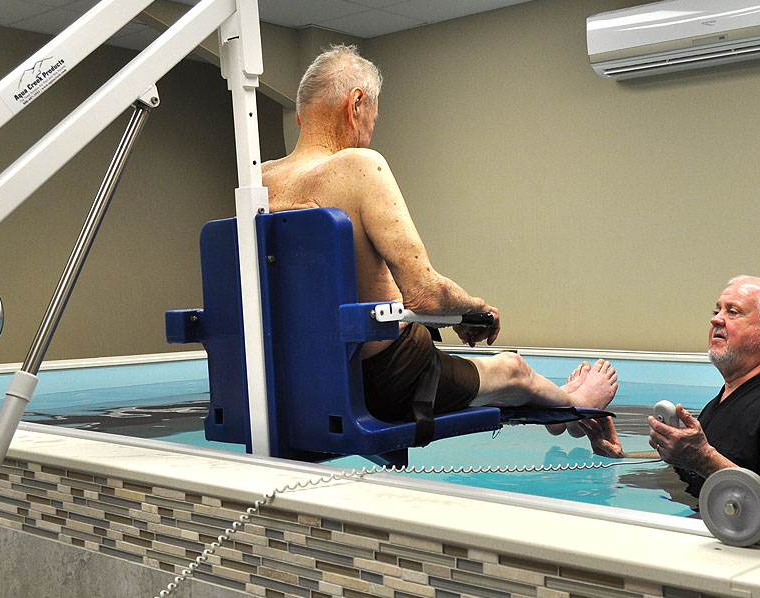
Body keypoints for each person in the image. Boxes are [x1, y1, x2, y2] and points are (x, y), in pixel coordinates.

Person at [260, 45, 618, 425]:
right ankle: (576, 405)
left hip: (295, 379)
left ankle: (557, 413)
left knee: (486, 379)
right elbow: (425, 294)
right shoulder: (359, 166)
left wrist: (453, 315)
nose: (368, 134)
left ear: (300, 117)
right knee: (513, 369)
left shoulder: (259, 182)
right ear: (356, 105)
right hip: (386, 379)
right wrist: (473, 309)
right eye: (373, 120)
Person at [581, 276, 760, 497]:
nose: (716, 320)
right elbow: (704, 466)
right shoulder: (730, 397)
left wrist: (704, 459)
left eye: (733, 312)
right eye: (716, 311)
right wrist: (621, 456)